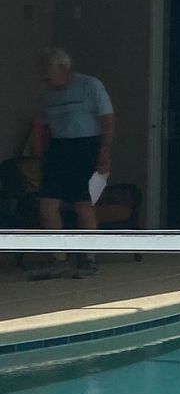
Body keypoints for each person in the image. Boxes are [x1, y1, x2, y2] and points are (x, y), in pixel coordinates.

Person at [31, 48, 114, 277]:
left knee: (83, 203)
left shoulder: (90, 86)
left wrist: (104, 152)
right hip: (59, 148)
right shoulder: (47, 97)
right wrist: (39, 151)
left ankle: (89, 258)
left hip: (86, 147)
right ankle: (58, 258)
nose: (43, 77)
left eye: (47, 71)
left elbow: (107, 119)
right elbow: (40, 125)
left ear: (64, 68)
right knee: (47, 203)